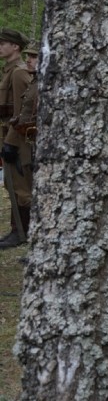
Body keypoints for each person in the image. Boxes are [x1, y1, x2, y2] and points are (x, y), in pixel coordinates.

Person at [0, 28, 33, 249]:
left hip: (17, 139)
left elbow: (22, 114)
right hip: (7, 134)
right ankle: (17, 229)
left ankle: (22, 231)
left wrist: (10, 142)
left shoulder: (20, 73)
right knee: (10, 183)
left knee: (20, 187)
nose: (0, 46)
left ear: (16, 47)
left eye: (4, 43)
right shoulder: (8, 71)